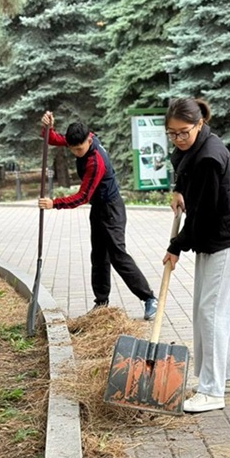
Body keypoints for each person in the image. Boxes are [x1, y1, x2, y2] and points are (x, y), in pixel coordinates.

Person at [162, 98, 230, 413]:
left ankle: (212, 392)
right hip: (215, 234)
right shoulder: (194, 148)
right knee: (212, 309)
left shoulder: (209, 158)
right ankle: (226, 378)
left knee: (210, 312)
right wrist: (178, 190)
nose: (177, 139)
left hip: (224, 236)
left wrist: (175, 247)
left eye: (183, 132)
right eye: (171, 134)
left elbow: (200, 217)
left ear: (199, 124)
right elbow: (183, 169)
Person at [37, 111, 158, 320]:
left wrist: (54, 203)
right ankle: (101, 303)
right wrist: (48, 126)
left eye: (79, 149)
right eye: (73, 149)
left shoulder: (95, 161)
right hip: (99, 208)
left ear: (88, 140)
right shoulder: (80, 138)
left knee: (118, 256)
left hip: (111, 209)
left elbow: (82, 196)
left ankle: (149, 298)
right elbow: (53, 138)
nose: (76, 153)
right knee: (99, 256)